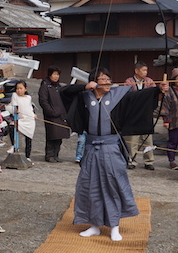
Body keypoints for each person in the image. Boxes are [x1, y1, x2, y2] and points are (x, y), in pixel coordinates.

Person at [62, 68, 160, 242]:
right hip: (91, 148)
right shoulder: (86, 96)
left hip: (111, 147)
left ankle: (114, 226)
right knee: (90, 186)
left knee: (113, 184)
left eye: (109, 79)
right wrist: (85, 87)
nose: (108, 82)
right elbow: (63, 92)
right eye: (103, 79)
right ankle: (94, 225)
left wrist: (158, 90)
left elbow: (140, 98)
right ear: (94, 82)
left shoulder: (119, 96)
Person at [123, 62, 156, 170]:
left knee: (147, 139)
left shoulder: (149, 81)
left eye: (146, 70)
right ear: (136, 71)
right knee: (133, 139)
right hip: (133, 114)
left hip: (146, 113)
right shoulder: (129, 82)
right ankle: (132, 160)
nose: (145, 72)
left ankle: (148, 161)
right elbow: (127, 96)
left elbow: (154, 93)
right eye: (143, 70)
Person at [39, 66, 69, 163]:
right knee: (52, 136)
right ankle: (49, 155)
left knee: (59, 137)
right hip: (51, 116)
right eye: (54, 74)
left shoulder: (58, 87)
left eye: (57, 74)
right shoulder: (45, 86)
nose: (56, 76)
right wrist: (51, 112)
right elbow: (43, 101)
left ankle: (56, 155)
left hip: (60, 115)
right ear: (49, 74)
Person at [10, 80, 36, 163]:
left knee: (28, 138)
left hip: (29, 119)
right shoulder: (14, 95)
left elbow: (30, 108)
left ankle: (28, 156)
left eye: (21, 88)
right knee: (11, 126)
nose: (18, 90)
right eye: (17, 88)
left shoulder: (28, 98)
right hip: (19, 119)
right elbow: (14, 106)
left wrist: (33, 114)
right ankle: (13, 146)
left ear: (25, 89)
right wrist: (15, 110)